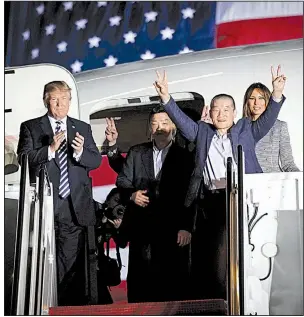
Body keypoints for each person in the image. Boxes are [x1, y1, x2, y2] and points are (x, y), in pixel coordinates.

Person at [152, 66, 286, 300]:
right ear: (210, 113)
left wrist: (275, 94)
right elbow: (181, 121)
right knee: (213, 256)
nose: (221, 114)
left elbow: (267, 120)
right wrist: (165, 96)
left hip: (242, 200)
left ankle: (241, 299)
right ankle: (218, 301)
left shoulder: (246, 129)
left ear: (234, 113)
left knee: (239, 254)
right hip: (210, 202)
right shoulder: (202, 131)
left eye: (226, 109)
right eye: (217, 109)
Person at [17, 81, 102, 305]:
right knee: (43, 261)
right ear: (46, 100)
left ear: (70, 101)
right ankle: (44, 303)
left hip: (73, 207)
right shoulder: (31, 127)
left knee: (69, 262)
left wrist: (81, 151)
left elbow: (95, 161)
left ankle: (64, 306)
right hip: (44, 205)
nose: (60, 104)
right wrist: (50, 150)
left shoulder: (81, 128)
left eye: (64, 99)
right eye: (55, 99)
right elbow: (24, 159)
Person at [115, 105, 194, 303]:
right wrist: (132, 195)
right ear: (150, 128)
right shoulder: (136, 152)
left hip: (172, 229)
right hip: (142, 228)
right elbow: (122, 182)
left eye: (165, 122)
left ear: (173, 126)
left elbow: (190, 194)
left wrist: (186, 227)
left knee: (171, 283)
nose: (160, 127)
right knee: (142, 282)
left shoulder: (184, 156)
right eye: (155, 123)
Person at [242, 80, 299, 172]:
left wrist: (300, 179)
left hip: (273, 181)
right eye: (252, 98)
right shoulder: (240, 128)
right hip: (249, 182)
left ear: (268, 100)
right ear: (247, 102)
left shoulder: (280, 127)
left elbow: (288, 163)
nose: (256, 102)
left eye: (261, 98)